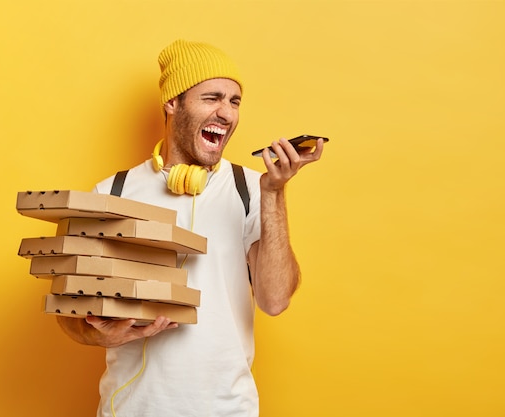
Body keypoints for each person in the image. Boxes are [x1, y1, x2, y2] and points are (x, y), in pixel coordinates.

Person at [56, 39, 324, 417]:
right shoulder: (111, 193)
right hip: (133, 409)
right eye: (211, 98)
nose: (226, 113)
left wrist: (274, 193)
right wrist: (103, 334)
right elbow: (68, 317)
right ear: (172, 103)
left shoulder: (252, 190)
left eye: (234, 101)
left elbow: (275, 300)